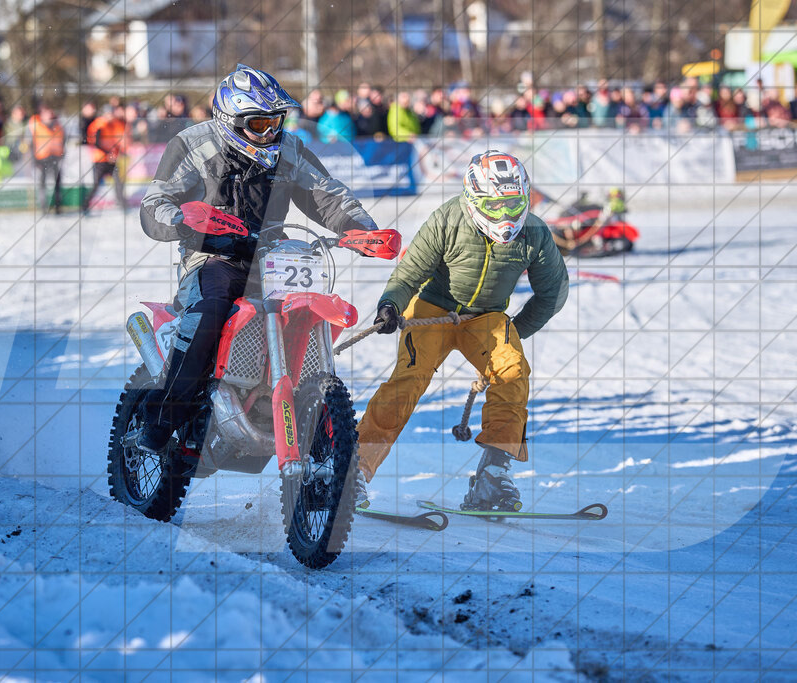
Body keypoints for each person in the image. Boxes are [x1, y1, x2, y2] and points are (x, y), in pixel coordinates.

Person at [136, 64, 382, 453]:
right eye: (259, 123)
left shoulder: (289, 149)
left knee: (310, 312)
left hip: (273, 256)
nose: (269, 132)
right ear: (230, 119)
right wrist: (185, 220)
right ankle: (163, 418)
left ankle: (330, 446)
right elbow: (154, 204)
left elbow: (327, 194)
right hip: (211, 257)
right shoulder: (193, 145)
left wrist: (362, 229)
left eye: (275, 122)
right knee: (212, 308)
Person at [354, 151, 568, 511]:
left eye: (514, 205)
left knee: (512, 372)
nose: (506, 217)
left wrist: (515, 331)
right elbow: (409, 274)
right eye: (495, 207)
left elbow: (553, 293)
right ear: (473, 199)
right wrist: (390, 304)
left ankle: (493, 475)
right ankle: (352, 469)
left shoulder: (534, 232)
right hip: (432, 310)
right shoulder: (448, 219)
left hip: (486, 318)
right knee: (409, 380)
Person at [82, 103, 129, 212]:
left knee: (118, 181)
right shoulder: (99, 124)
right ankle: (85, 205)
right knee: (96, 185)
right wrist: (109, 154)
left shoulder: (113, 124)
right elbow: (97, 143)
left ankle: (122, 204)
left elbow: (116, 141)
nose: (111, 116)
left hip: (111, 159)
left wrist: (118, 152)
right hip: (101, 160)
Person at [28, 103, 66, 213]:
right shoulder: (36, 127)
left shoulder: (58, 126)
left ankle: (58, 206)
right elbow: (32, 144)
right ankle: (44, 207)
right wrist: (34, 160)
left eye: (49, 112)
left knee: (57, 182)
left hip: (56, 157)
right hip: (42, 158)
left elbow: (63, 141)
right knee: (42, 183)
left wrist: (62, 154)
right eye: (45, 113)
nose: (48, 115)